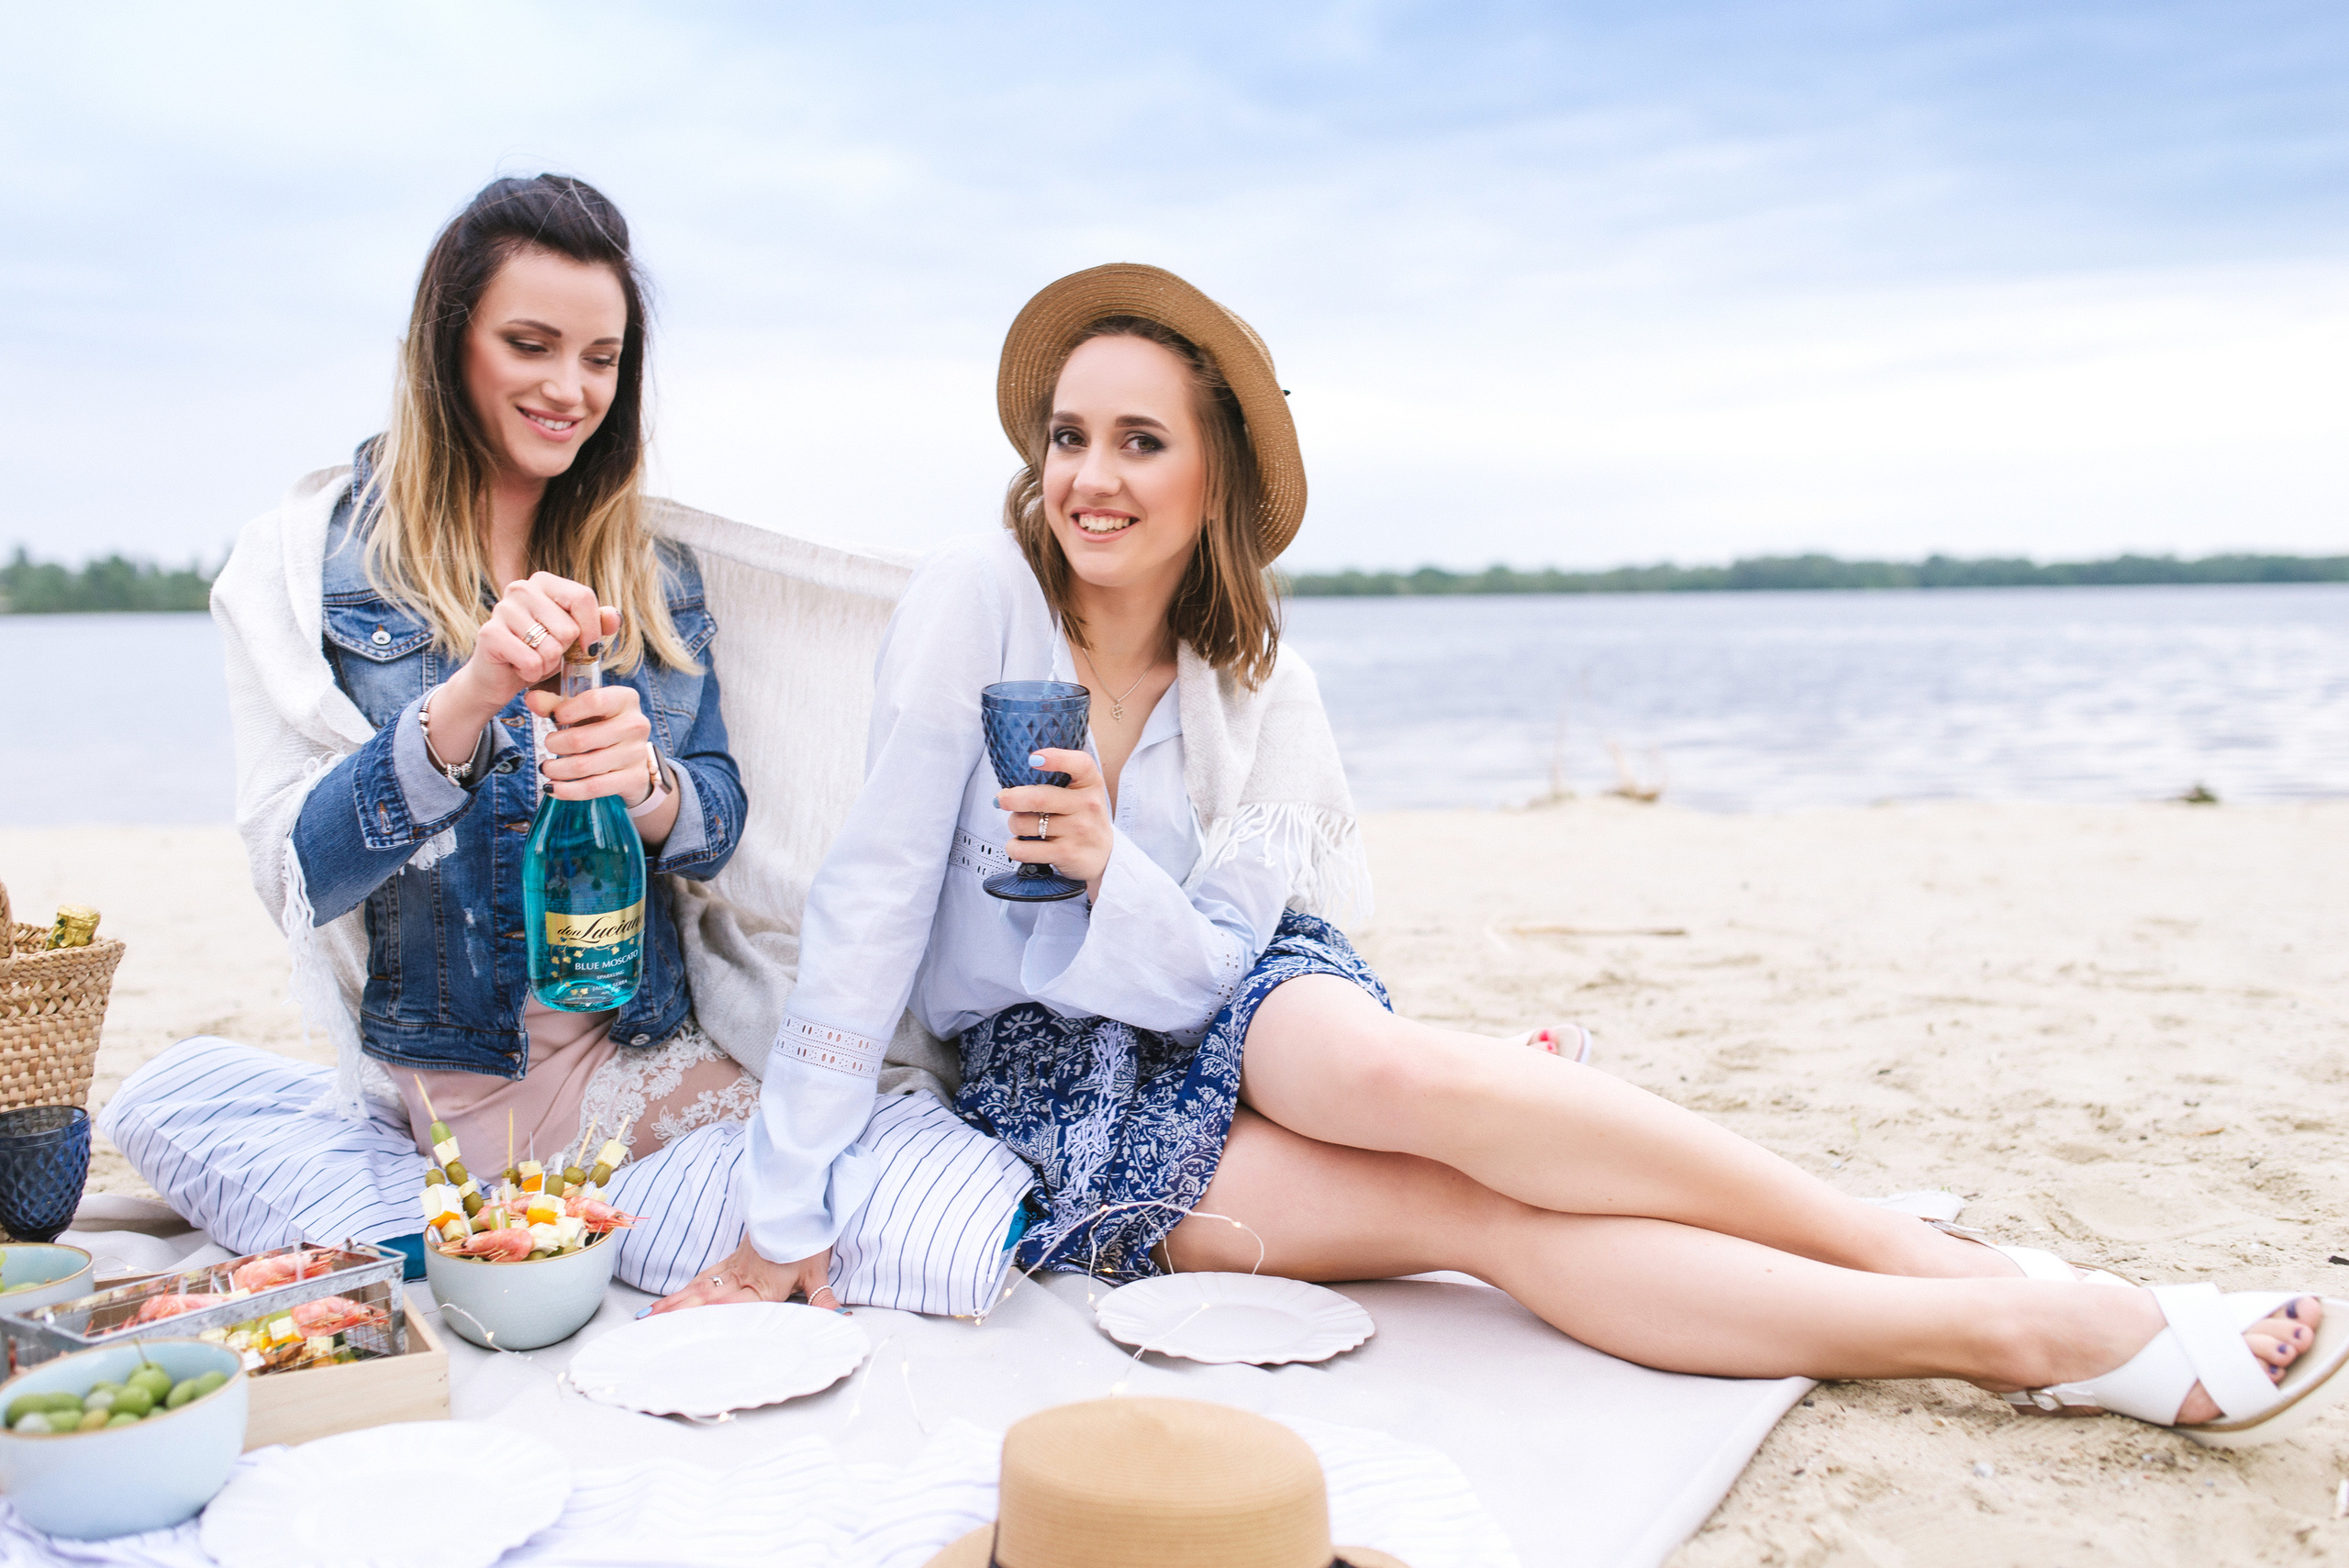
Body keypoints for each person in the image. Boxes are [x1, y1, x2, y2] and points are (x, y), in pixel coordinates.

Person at [655, 262, 2342, 1444]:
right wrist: (784, 1207)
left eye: (1139, 440)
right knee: (1480, 1219)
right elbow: (874, 891)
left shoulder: (1263, 685)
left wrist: (1118, 868)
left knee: (1383, 1067)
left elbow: (1217, 958)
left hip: (1237, 985)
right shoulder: (977, 599)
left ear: (1215, 474)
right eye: (1069, 435)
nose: (1089, 476)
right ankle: (2020, 1326)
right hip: (1056, 1074)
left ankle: (1908, 1244)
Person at [103, 176, 1039, 1307]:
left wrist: (647, 785)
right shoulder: (328, 565)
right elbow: (300, 871)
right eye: (530, 345)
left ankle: (484, 1227)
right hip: (457, 1076)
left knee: (924, 1192)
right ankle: (510, 1218)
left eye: (601, 358)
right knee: (162, 1093)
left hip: (642, 1050)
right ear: (448, 345)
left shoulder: (650, 568)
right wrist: (467, 699)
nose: (569, 389)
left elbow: (716, 820)